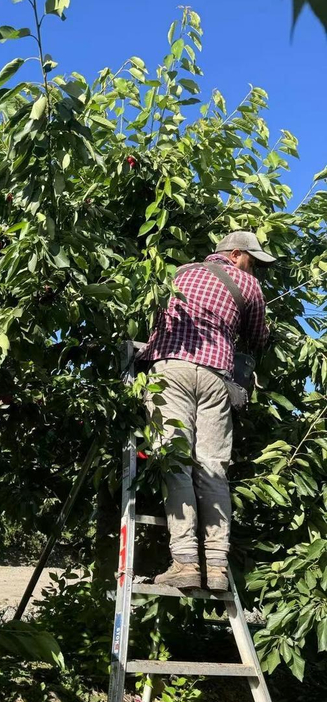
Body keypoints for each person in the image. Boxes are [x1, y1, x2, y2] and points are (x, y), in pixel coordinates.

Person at [139, 231, 273, 591]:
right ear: (233, 254)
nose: (255, 269)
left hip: (171, 369)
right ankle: (215, 564)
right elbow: (259, 339)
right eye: (252, 261)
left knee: (174, 460)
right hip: (216, 377)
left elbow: (154, 313)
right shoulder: (249, 286)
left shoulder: (179, 273)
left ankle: (185, 562)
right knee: (213, 466)